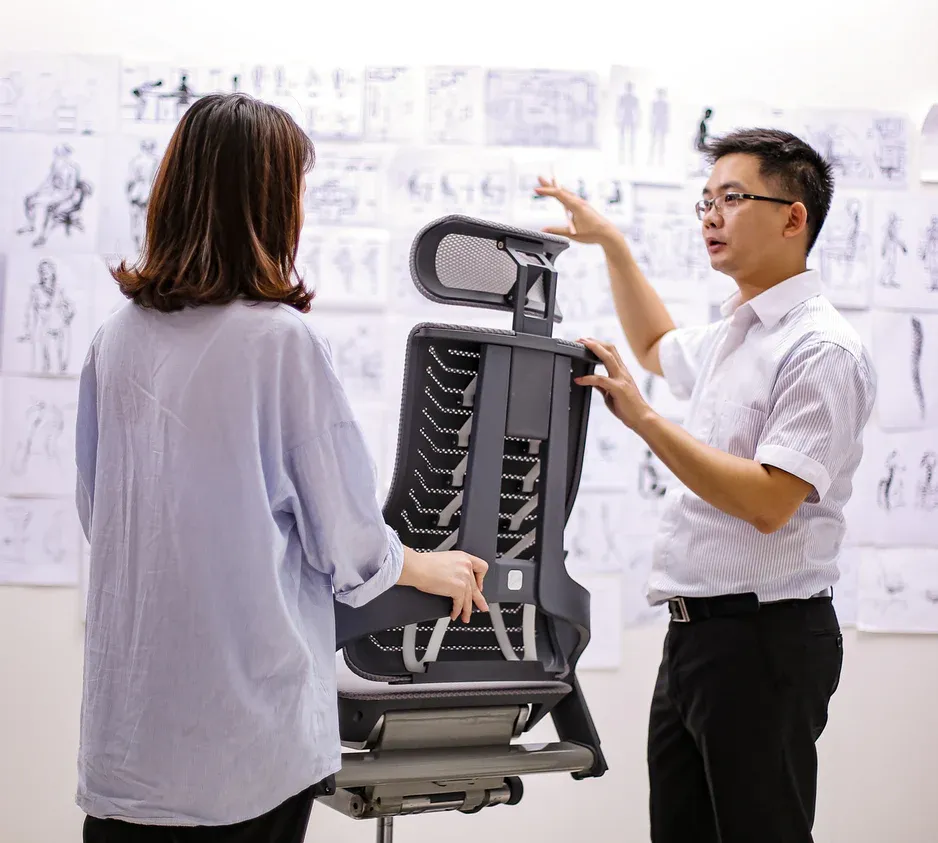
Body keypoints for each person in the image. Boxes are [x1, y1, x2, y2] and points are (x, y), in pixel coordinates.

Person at [75, 92, 489, 842]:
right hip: (243, 751)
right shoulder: (279, 344)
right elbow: (348, 540)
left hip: (127, 748)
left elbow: (98, 510)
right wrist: (426, 566)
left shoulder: (116, 339)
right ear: (266, 204)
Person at [535, 127, 876, 843]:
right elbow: (654, 347)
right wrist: (613, 245)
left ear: (793, 217)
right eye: (706, 201)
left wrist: (646, 420)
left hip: (765, 640)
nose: (711, 217)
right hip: (694, 637)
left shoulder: (819, 347)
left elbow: (768, 501)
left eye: (733, 198)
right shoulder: (736, 333)